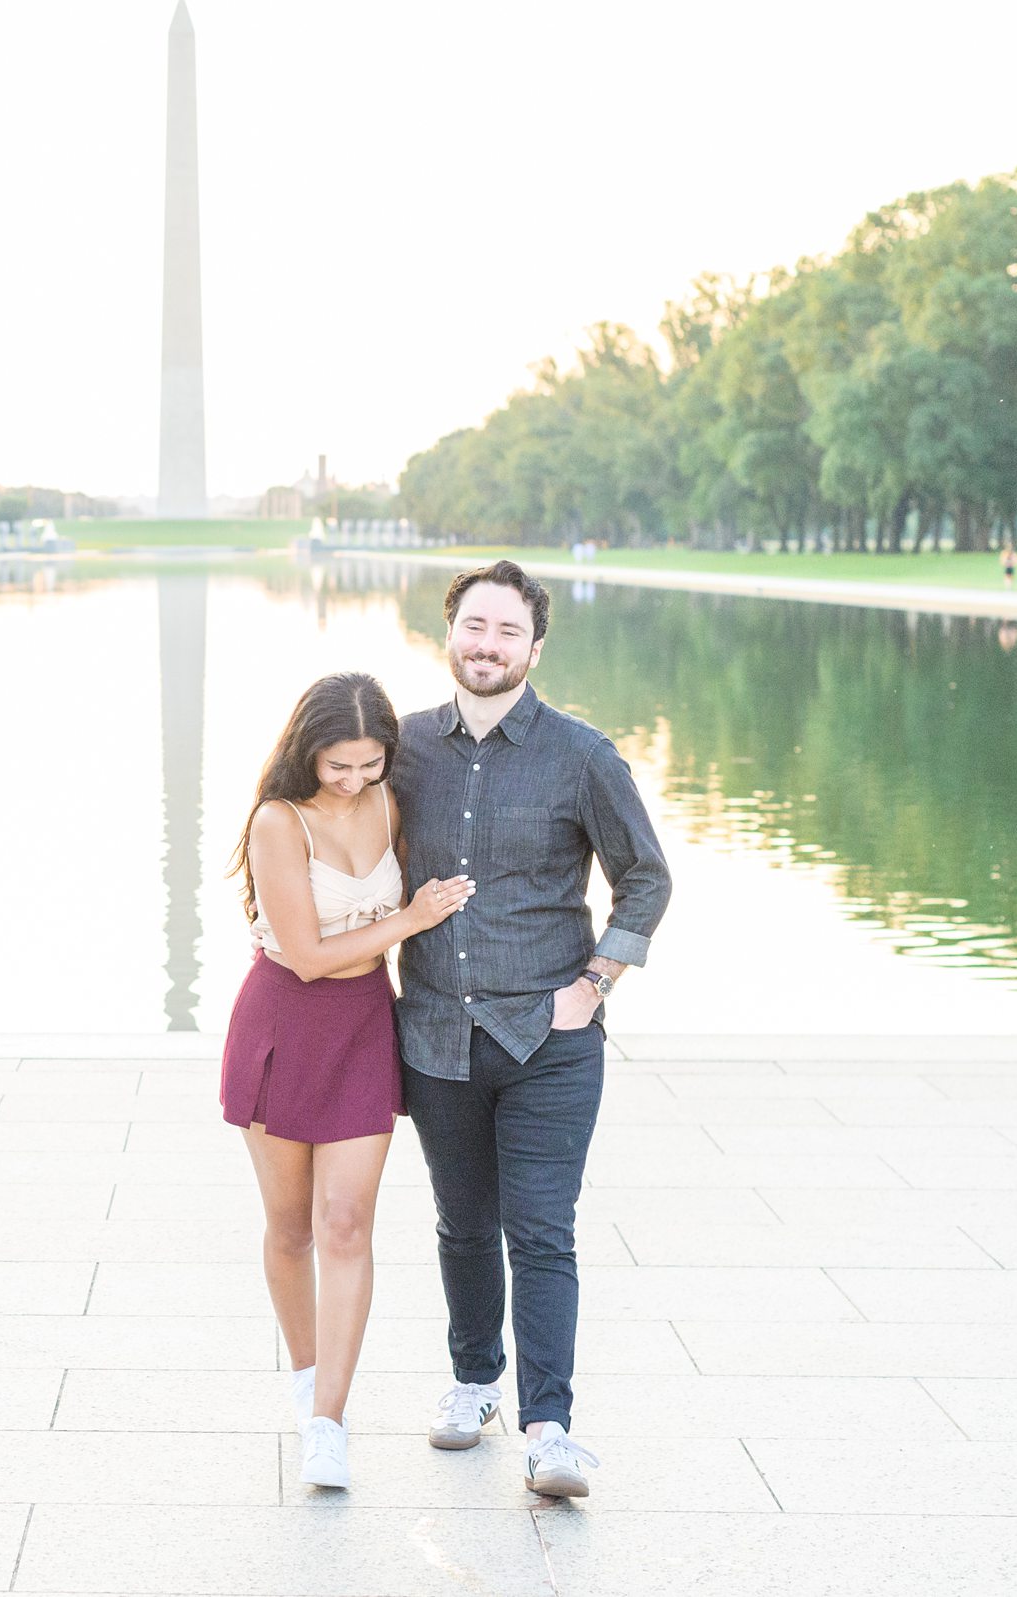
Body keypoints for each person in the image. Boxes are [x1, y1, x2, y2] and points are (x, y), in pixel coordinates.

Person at [390, 560, 672, 1501]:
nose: (487, 644)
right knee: (462, 1225)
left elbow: (648, 877)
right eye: (475, 625)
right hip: (435, 1036)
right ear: (450, 632)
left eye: (508, 631)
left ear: (535, 647)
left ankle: (551, 1428)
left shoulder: (582, 754)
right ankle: (475, 1384)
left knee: (542, 1232)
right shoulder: (403, 749)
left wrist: (597, 979)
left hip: (550, 1041)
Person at [220, 672, 470, 1492]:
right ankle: (304, 1373)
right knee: (290, 1227)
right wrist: (409, 918)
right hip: (284, 1020)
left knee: (346, 1222)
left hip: (365, 1022)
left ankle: (329, 1420)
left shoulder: (393, 803)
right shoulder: (277, 821)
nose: (356, 780)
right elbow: (311, 952)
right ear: (308, 751)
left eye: (370, 764)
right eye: (339, 766)